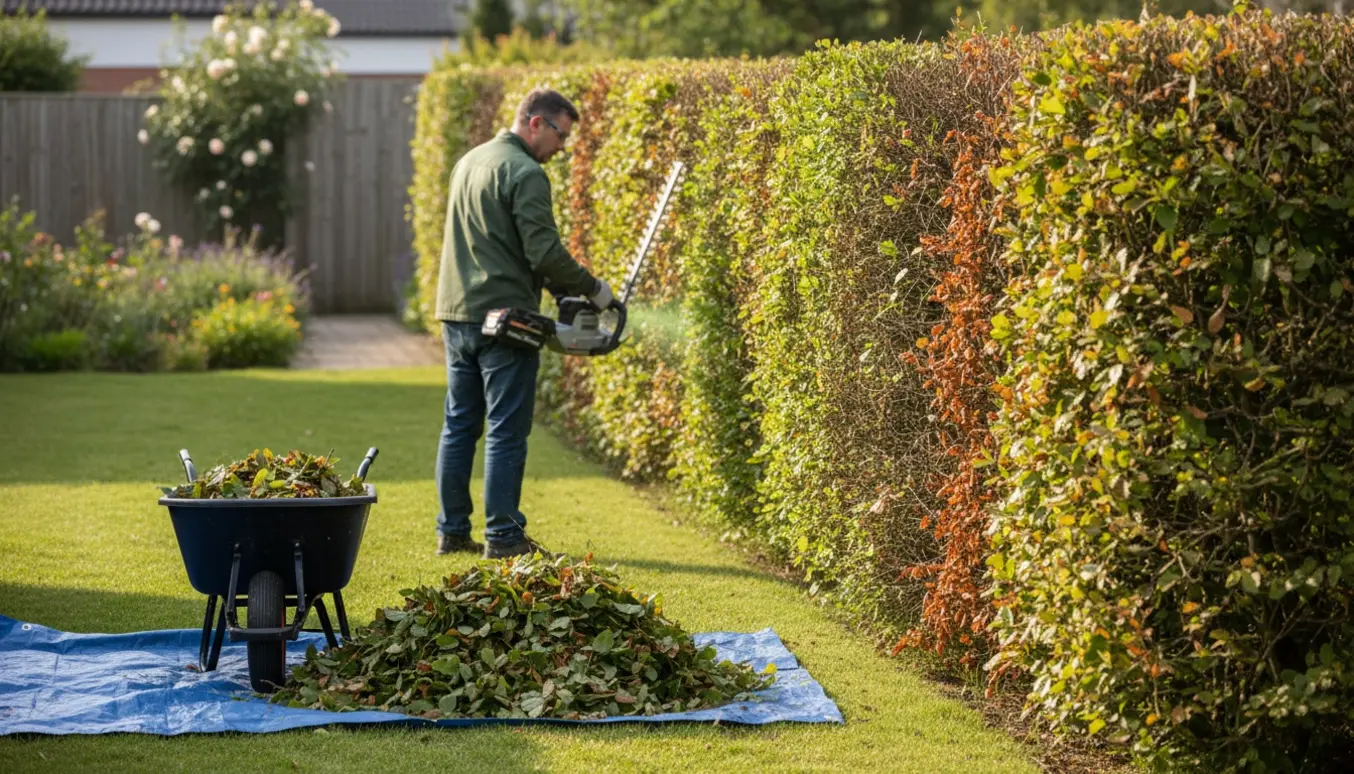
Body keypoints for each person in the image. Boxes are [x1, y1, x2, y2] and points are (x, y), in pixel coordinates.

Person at [432, 88, 613, 559]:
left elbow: (502, 244)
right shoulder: (526, 173)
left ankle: (451, 532)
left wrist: (558, 292)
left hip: (457, 312)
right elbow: (544, 252)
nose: (562, 147)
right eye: (560, 134)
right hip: (504, 320)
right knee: (506, 429)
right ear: (535, 122)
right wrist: (594, 290)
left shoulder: (470, 161)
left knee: (458, 425)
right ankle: (504, 537)